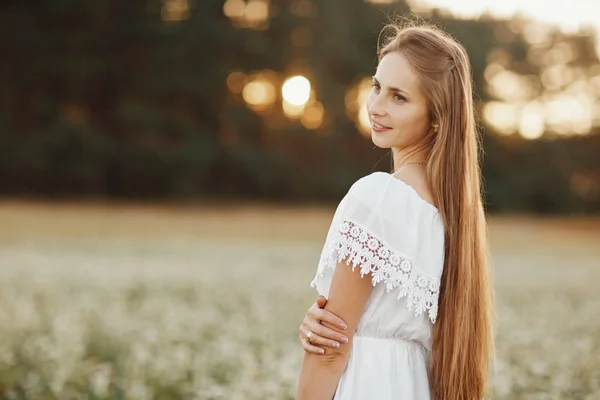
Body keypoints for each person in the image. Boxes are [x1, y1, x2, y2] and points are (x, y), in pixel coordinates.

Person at [296, 23, 495, 400]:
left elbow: (329, 352)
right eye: (376, 87)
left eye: (399, 97)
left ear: (436, 116)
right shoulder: (453, 214)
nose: (376, 106)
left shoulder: (379, 198)